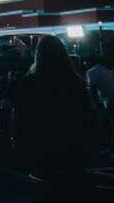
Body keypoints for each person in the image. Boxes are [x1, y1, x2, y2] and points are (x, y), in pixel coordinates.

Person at [13, 35, 92, 178]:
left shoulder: (31, 82)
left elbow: (20, 116)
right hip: (73, 148)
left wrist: (19, 144)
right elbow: (85, 116)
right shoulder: (76, 82)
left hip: (40, 147)